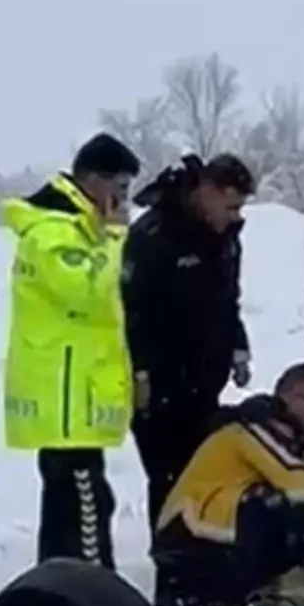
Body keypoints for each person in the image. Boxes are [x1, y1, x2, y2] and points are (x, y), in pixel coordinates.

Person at [1, 132, 140, 569]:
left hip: (77, 394)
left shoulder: (81, 230)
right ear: (91, 180)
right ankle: (93, 587)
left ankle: (61, 586)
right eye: (118, 189)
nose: (122, 201)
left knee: (69, 504)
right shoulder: (51, 233)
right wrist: (117, 241)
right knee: (86, 504)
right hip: (64, 399)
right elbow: (88, 294)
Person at [152, 362, 304, 606]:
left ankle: (268, 592)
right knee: (272, 505)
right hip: (188, 536)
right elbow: (301, 490)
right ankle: (247, 600)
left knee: (296, 512)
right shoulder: (253, 428)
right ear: (290, 397)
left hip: (209, 539)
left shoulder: (289, 442)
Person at [122, 153, 256, 534]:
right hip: (161, 382)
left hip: (205, 378)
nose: (234, 216)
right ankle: (171, 563)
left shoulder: (226, 239)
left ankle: (201, 555)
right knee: (169, 477)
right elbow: (130, 311)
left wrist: (238, 347)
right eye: (230, 206)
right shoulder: (154, 236)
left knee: (203, 473)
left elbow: (228, 299)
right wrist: (141, 373)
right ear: (207, 191)